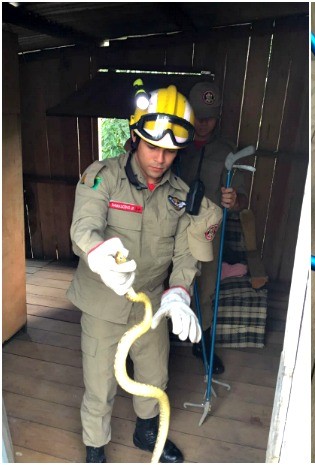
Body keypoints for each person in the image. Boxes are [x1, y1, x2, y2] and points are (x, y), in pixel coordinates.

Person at [67, 84, 222, 463]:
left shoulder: (183, 195)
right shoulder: (102, 176)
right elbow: (83, 227)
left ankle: (146, 431)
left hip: (152, 303)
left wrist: (179, 292)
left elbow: (187, 254)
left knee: (155, 377)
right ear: (135, 138)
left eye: (170, 151)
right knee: (100, 383)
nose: (160, 158)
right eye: (153, 147)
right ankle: (95, 445)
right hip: (103, 302)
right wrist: (98, 251)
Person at [175, 80, 249, 373]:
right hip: (171, 225)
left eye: (210, 116)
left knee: (204, 289)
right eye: (198, 115)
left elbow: (243, 199)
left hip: (208, 231)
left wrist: (234, 200)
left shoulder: (228, 151)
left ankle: (202, 344)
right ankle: (155, 342)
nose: (204, 122)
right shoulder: (173, 142)